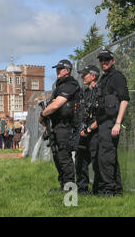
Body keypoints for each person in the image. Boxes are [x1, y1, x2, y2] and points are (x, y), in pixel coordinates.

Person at [40, 59, 81, 192]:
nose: (57, 71)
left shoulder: (70, 85)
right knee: (57, 156)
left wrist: (43, 114)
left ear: (67, 70)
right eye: (56, 69)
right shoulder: (59, 86)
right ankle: (63, 185)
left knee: (64, 157)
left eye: (60, 68)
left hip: (66, 126)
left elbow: (57, 104)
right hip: (57, 126)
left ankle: (70, 189)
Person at [94, 49, 129, 196]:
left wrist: (118, 123)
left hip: (111, 123)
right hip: (103, 123)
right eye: (101, 60)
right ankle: (115, 189)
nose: (104, 62)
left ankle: (109, 191)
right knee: (106, 157)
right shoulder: (104, 78)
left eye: (106, 59)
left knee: (106, 157)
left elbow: (124, 99)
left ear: (113, 61)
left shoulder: (117, 77)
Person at [75, 64, 101, 195]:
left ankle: (97, 190)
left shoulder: (100, 91)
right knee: (80, 160)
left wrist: (90, 128)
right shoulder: (84, 93)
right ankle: (82, 189)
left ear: (93, 76)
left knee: (97, 161)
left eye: (85, 74)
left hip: (95, 132)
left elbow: (102, 115)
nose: (82, 77)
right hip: (83, 131)